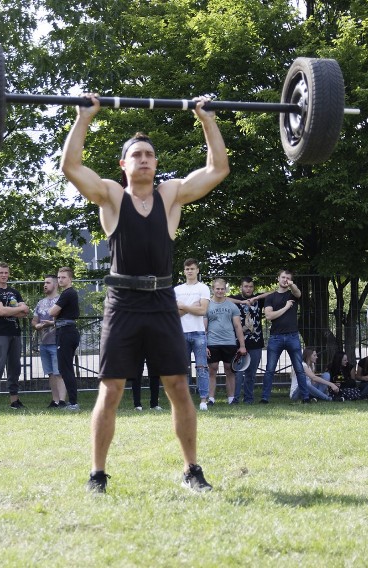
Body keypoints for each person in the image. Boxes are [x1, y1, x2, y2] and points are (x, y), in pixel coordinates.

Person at [61, 93, 229, 493]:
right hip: (122, 304)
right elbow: (71, 166)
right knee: (112, 388)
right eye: (136, 155)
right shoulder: (111, 196)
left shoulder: (170, 196)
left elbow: (217, 168)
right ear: (124, 165)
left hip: (161, 302)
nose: (145, 159)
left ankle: (192, 470)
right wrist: (84, 117)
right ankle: (97, 475)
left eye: (150, 154)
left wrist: (207, 120)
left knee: (177, 386)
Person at [0, 262, 30, 410]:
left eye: (6, 273)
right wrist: (15, 309)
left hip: (15, 333)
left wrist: (7, 310)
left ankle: (14, 401)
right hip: (0, 334)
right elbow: (3, 312)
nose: (4, 275)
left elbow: (25, 312)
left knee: (15, 368)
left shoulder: (14, 292)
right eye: (1, 272)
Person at [262, 269, 311, 403]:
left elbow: (298, 292)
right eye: (283, 277)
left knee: (299, 369)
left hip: (292, 336)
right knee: (270, 370)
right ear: (278, 278)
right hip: (275, 337)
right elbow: (269, 316)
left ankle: (306, 398)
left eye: (288, 278)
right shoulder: (270, 297)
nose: (285, 280)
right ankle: (265, 398)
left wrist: (291, 284)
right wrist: (286, 307)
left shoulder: (292, 295)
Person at [174, 258, 211, 411]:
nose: (190, 271)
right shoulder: (177, 290)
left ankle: (203, 399)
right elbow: (175, 314)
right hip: (181, 333)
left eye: (192, 268)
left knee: (202, 367)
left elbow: (202, 311)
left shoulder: (203, 288)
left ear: (197, 270)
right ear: (184, 271)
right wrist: (190, 307)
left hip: (199, 334)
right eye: (187, 269)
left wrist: (184, 306)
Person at [228, 277, 271, 404]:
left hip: (256, 343)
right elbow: (222, 298)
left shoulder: (258, 300)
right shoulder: (236, 300)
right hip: (237, 343)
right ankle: (234, 399)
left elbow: (273, 292)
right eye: (246, 286)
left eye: (251, 286)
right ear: (241, 287)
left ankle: (248, 399)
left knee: (251, 374)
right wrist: (241, 302)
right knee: (237, 373)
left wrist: (256, 298)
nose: (248, 289)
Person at [206, 278, 247, 405]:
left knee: (230, 370)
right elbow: (204, 327)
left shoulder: (232, 306)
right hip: (212, 342)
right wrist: (204, 344)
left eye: (222, 289)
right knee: (212, 369)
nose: (220, 291)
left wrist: (242, 345)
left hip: (229, 342)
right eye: (217, 289)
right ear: (213, 289)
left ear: (225, 290)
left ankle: (231, 399)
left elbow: (238, 326)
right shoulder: (207, 305)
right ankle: (211, 399)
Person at [49, 267, 81, 411]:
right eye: (59, 277)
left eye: (63, 277)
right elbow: (56, 315)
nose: (60, 280)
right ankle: (72, 401)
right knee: (66, 367)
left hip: (66, 332)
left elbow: (52, 312)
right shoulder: (69, 293)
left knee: (65, 368)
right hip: (67, 331)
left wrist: (54, 312)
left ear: (70, 279)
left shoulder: (68, 293)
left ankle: (73, 403)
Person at [32, 274, 65, 408]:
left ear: (56, 284)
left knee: (59, 373)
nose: (45, 285)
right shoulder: (40, 303)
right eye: (44, 283)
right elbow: (34, 320)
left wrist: (49, 324)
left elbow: (63, 320)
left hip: (57, 341)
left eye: (48, 283)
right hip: (44, 343)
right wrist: (37, 325)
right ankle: (55, 400)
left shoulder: (61, 300)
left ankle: (62, 401)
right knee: (50, 373)